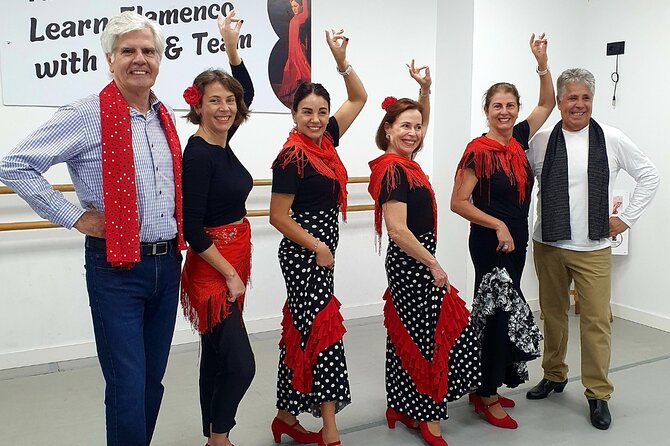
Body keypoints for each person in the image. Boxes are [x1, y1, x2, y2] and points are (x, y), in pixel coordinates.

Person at [0, 12, 183, 446]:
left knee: (150, 383)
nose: (139, 59)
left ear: (158, 59)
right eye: (128, 51)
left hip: (166, 263)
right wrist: (75, 216)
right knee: (126, 384)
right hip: (116, 270)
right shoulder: (86, 114)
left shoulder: (164, 115)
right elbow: (15, 164)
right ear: (110, 59)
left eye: (148, 51)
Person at [525, 68, 660, 430]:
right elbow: (519, 183)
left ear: (592, 101)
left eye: (585, 97)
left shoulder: (612, 139)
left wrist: (626, 218)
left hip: (594, 247)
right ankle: (554, 375)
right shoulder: (539, 142)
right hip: (548, 244)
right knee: (552, 316)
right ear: (559, 102)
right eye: (571, 97)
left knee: (596, 322)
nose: (579, 105)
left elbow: (649, 174)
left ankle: (598, 394)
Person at [368, 63, 480, 446]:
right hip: (412, 264)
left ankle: (400, 404)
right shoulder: (393, 170)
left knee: (409, 335)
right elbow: (397, 229)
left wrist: (424, 92)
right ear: (388, 130)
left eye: (417, 127)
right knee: (427, 338)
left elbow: (420, 120)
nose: (414, 133)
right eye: (405, 127)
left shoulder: (405, 161)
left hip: (414, 262)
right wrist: (433, 263)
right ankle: (428, 416)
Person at [450, 33, 555, 429]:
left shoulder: (519, 140)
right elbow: (458, 202)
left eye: (511, 106)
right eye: (498, 106)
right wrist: (497, 225)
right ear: (487, 110)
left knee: (500, 312)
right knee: (495, 316)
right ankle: (488, 394)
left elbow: (547, 103)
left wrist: (541, 62)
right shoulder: (478, 150)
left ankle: (484, 385)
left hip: (516, 241)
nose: (505, 112)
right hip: (491, 243)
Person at [269, 28, 367, 446]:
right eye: (307, 111)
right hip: (304, 255)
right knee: (324, 333)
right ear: (294, 115)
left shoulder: (327, 141)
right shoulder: (291, 157)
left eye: (321, 111)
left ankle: (286, 416)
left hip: (322, 254)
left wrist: (341, 61)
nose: (315, 119)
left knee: (304, 330)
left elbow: (359, 98)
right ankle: (329, 426)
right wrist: (318, 246)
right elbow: (278, 216)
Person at [179, 12, 255, 446]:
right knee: (242, 365)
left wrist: (232, 48)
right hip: (212, 268)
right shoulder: (199, 154)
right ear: (198, 106)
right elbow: (191, 228)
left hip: (233, 256)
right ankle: (221, 435)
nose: (224, 107)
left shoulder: (224, 141)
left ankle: (212, 435)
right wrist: (228, 273)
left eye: (229, 100)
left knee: (215, 356)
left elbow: (248, 91)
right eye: (214, 101)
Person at [277, 0, 311, 106]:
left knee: (302, 72)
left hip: (298, 51)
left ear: (301, 6)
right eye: (292, 7)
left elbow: (306, 12)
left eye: (296, 6)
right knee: (290, 72)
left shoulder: (301, 17)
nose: (294, 9)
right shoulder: (294, 19)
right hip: (291, 52)